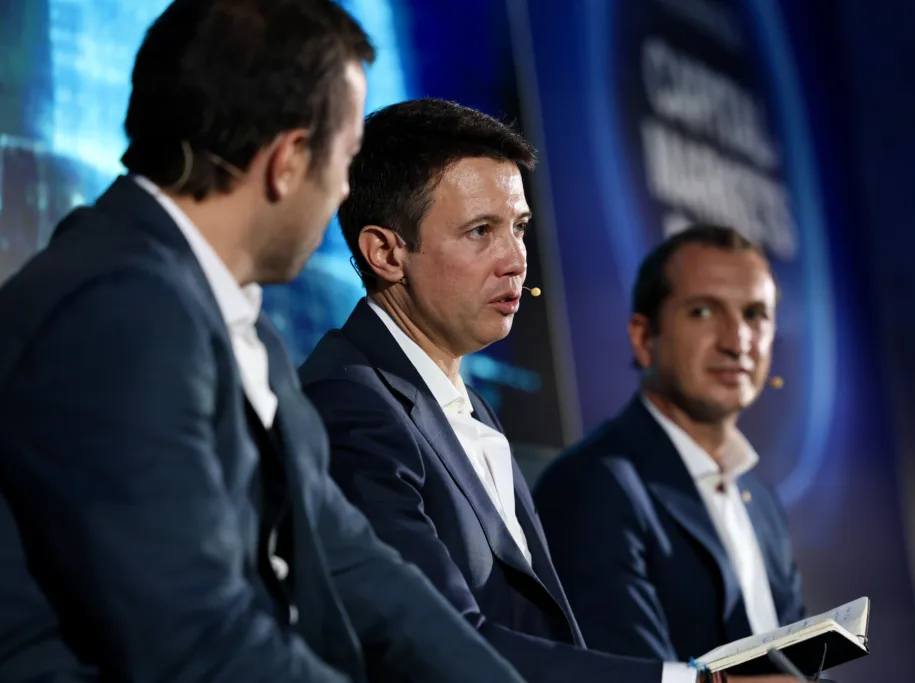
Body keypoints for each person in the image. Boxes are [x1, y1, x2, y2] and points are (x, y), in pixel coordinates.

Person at [0, 3, 526, 682]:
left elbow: (349, 559)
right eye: (345, 160)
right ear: (287, 161)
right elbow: (196, 642)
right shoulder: (118, 312)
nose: (345, 191)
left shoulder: (234, 323)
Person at [299, 98, 801, 683]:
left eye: (518, 228)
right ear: (386, 252)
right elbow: (436, 645)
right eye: (481, 231)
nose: (516, 260)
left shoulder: (464, 406)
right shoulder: (347, 404)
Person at [533, 227, 805, 665]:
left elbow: (801, 666)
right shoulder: (591, 486)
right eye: (703, 311)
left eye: (755, 315)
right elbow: (632, 676)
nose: (737, 342)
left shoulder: (762, 502)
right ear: (644, 339)